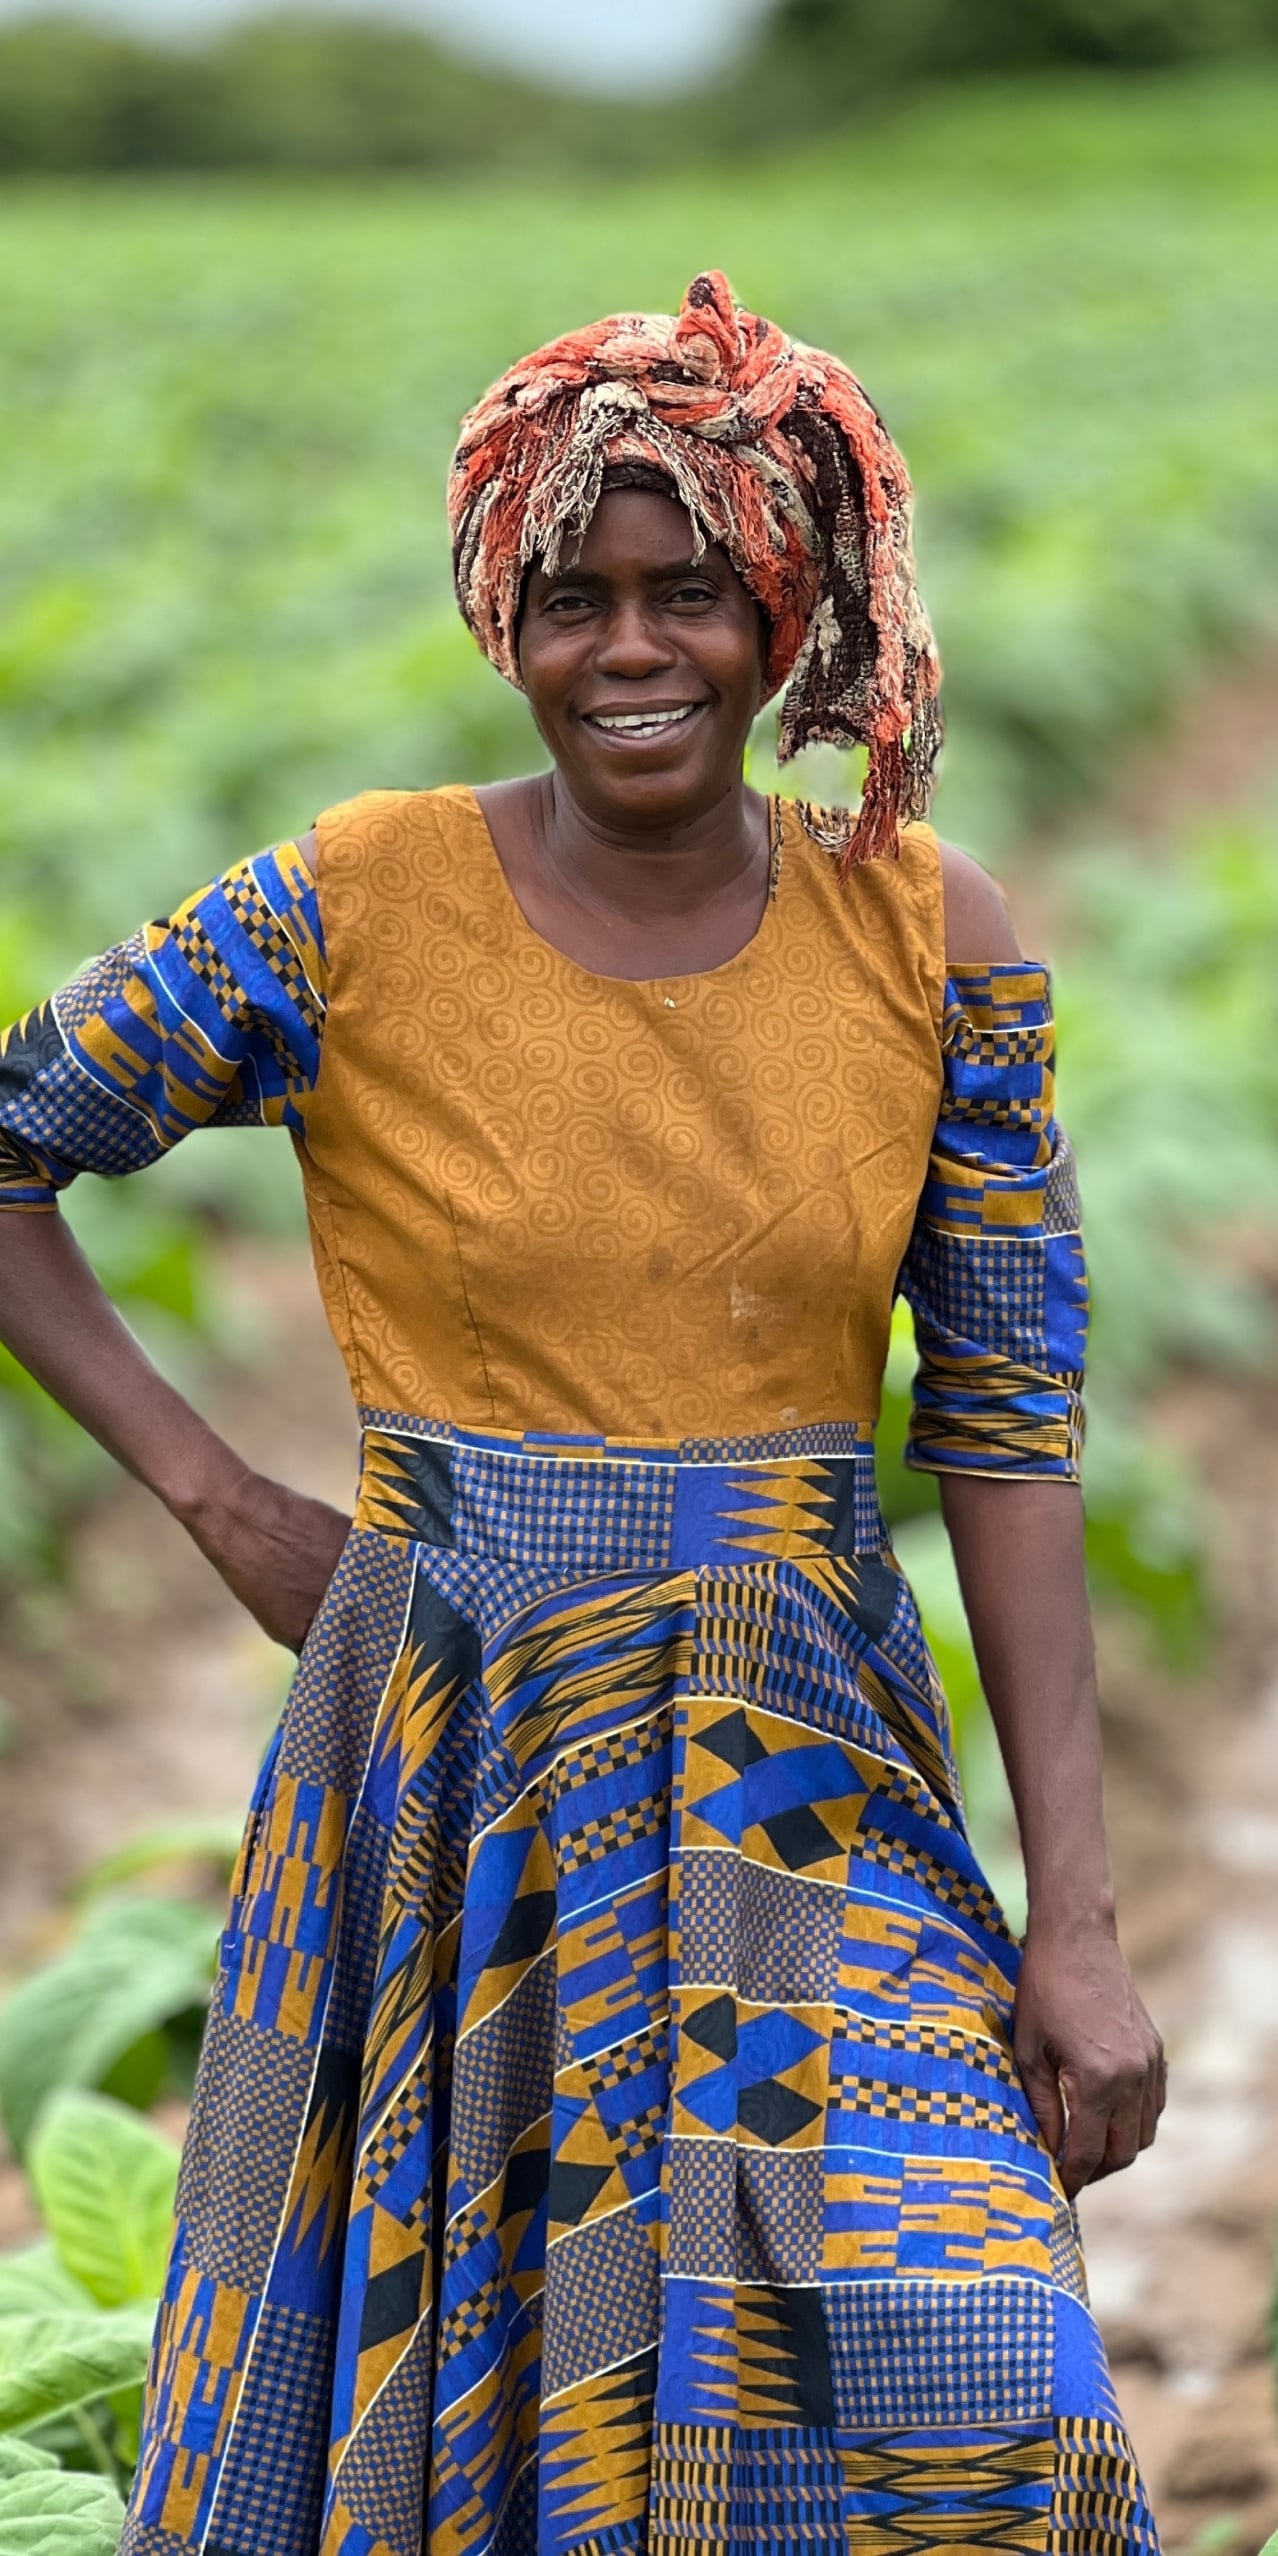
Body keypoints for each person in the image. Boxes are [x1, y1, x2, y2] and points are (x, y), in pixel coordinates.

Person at [0, 270, 1163, 2554]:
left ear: (786, 614)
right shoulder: (355, 904)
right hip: (458, 1746)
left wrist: (1081, 1922)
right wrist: (221, 1498)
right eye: (575, 601)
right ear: (504, 622)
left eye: (692, 595)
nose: (633, 652)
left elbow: (1011, 1428)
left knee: (969, 2362)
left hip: (804, 1757)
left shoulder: (932, 939)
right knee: (506, 2412)